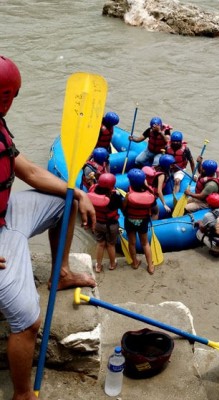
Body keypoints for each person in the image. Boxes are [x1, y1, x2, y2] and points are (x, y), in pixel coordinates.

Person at [0, 55, 96, 400]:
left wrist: (77, 192)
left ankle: (62, 272)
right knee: (27, 322)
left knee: (63, 204)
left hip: (6, 214)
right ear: (7, 96)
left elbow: (28, 172)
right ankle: (22, 393)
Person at [86, 173, 123, 273]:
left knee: (100, 244)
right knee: (111, 245)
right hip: (111, 225)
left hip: (97, 223)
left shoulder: (93, 190)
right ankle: (112, 264)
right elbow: (121, 206)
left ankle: (98, 266)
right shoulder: (115, 196)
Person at [122, 168, 156, 274]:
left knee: (132, 243)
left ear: (130, 182)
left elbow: (123, 209)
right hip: (143, 221)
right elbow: (153, 208)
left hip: (130, 221)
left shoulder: (128, 196)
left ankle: (135, 262)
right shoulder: (150, 196)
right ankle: (150, 266)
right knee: (145, 243)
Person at [194, 193, 219, 257]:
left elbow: (202, 229)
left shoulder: (208, 215)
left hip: (217, 245)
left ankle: (215, 252)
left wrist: (199, 222)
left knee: (198, 233)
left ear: (209, 204)